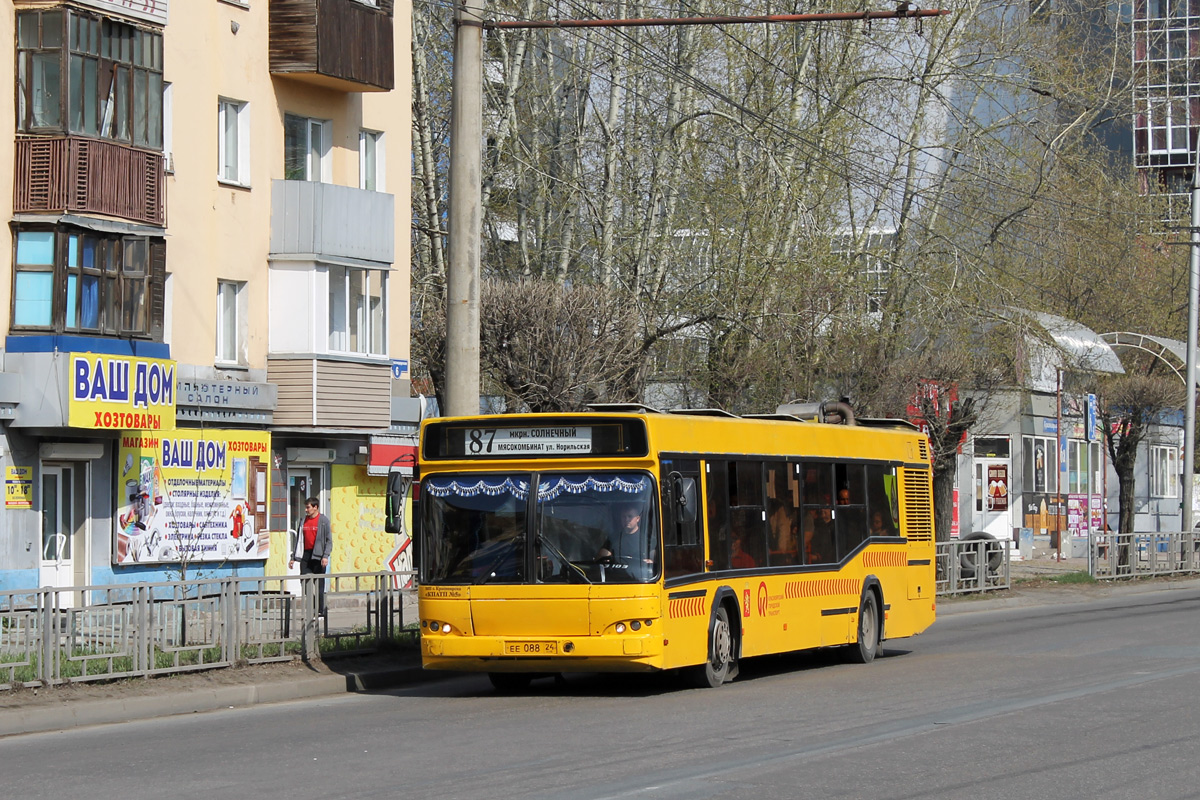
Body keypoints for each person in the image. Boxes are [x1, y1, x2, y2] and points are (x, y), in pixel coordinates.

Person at [291, 497, 332, 617]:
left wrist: (325, 556)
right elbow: (298, 540)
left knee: (319, 586)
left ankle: (320, 612)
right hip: (306, 556)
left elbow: (329, 540)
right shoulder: (303, 521)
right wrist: (294, 557)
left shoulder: (323, 520)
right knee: (305, 583)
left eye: (308, 507)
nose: (306, 509)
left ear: (315, 507)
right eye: (306, 507)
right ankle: (312, 608)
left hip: (318, 556)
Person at [597, 502, 656, 578]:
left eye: (629, 516)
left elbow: (655, 560)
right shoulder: (613, 539)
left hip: (641, 579)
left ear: (638, 519)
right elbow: (601, 557)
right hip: (617, 578)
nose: (626, 519)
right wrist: (605, 558)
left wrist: (651, 562)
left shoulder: (648, 539)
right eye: (624, 517)